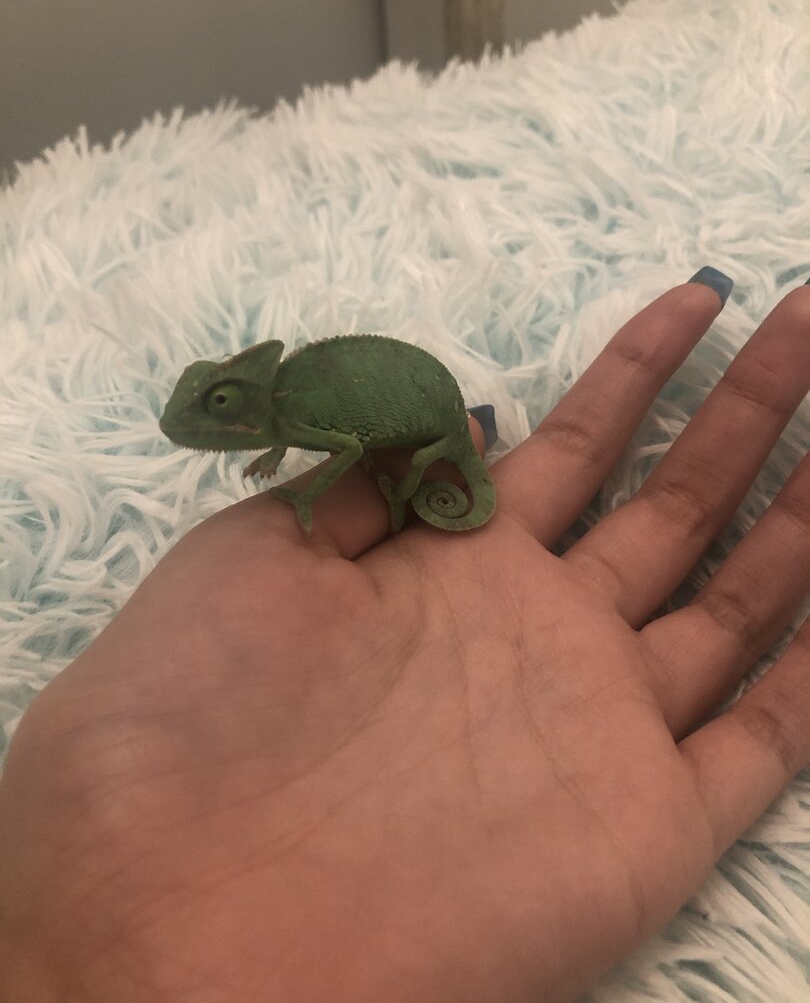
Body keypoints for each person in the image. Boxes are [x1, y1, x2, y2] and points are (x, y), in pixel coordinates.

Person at [0, 275, 807, 1002]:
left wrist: (314, 494)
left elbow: (352, 445)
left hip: (429, 427)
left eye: (218, 406)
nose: (206, 423)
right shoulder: (285, 407)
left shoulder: (298, 406)